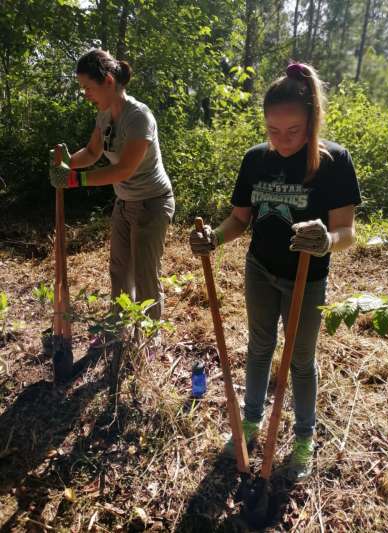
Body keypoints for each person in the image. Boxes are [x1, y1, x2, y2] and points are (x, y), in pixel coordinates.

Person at [189, 63, 361, 481]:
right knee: (260, 347)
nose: (282, 141)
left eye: (294, 131)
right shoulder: (255, 160)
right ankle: (250, 422)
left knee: (300, 360)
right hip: (261, 269)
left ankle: (303, 438)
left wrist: (325, 239)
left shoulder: (333, 161)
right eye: (272, 130)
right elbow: (239, 220)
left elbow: (347, 233)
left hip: (307, 275)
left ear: (312, 121)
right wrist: (214, 237)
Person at [49, 49, 174, 329]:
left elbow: (123, 169)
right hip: (125, 202)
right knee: (119, 271)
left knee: (145, 275)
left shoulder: (139, 117)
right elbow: (93, 152)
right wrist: (66, 165)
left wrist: (76, 180)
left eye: (88, 87)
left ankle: (149, 338)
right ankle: (117, 330)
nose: (85, 94)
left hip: (153, 203)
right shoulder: (105, 116)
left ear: (107, 80)